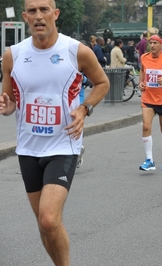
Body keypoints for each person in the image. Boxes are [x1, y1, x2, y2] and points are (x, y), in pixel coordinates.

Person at [0, 0, 110, 265]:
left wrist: (84, 109)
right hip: (28, 148)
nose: (39, 16)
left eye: (44, 10)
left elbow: (102, 83)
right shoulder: (12, 55)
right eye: (33, 11)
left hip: (64, 144)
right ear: (25, 17)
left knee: (49, 218)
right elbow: (10, 100)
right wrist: (6, 106)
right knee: (44, 223)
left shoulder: (76, 51)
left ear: (55, 14)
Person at [138, 34, 162, 171]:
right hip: (148, 97)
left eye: (156, 43)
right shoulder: (144, 57)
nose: (153, 45)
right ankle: (149, 160)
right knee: (145, 126)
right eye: (151, 43)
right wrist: (141, 83)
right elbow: (142, 71)